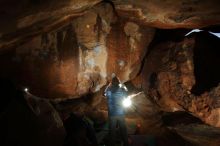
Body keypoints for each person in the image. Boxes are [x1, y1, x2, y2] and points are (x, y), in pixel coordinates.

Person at [104, 76, 129, 146]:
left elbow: (103, 94)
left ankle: (112, 144)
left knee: (112, 132)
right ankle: (126, 143)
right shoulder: (122, 90)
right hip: (121, 113)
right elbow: (127, 92)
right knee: (123, 130)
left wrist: (108, 85)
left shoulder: (108, 90)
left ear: (111, 83)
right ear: (118, 83)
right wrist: (122, 84)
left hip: (112, 115)